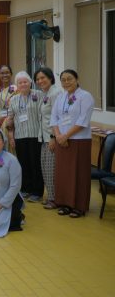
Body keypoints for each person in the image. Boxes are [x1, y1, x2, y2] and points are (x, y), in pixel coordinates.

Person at [50, 69, 94, 218]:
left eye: (70, 79)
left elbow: (83, 120)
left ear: (77, 79)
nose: (66, 82)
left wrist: (66, 136)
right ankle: (65, 203)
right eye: (63, 80)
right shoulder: (60, 97)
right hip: (61, 140)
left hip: (79, 140)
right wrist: (58, 136)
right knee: (64, 174)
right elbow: (54, 118)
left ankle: (79, 206)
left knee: (79, 173)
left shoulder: (85, 96)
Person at [7, 71, 43, 202]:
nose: (23, 84)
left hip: (35, 135)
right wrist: (11, 137)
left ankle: (37, 191)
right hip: (20, 136)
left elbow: (43, 115)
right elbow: (10, 119)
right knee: (23, 163)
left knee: (35, 163)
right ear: (17, 85)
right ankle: (26, 188)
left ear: (30, 82)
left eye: (25, 82)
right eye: (20, 82)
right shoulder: (13, 99)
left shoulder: (38, 95)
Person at [34, 67, 60, 209]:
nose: (40, 81)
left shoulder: (55, 93)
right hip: (44, 137)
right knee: (45, 168)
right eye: (38, 79)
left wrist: (53, 137)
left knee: (51, 170)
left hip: (51, 137)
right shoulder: (45, 94)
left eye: (43, 77)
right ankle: (51, 196)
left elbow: (58, 117)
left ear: (50, 77)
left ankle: (55, 198)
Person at [0, 64, 16, 131]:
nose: (5, 75)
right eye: (2, 73)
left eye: (7, 73)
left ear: (11, 74)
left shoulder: (16, 89)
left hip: (14, 123)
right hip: (0, 124)